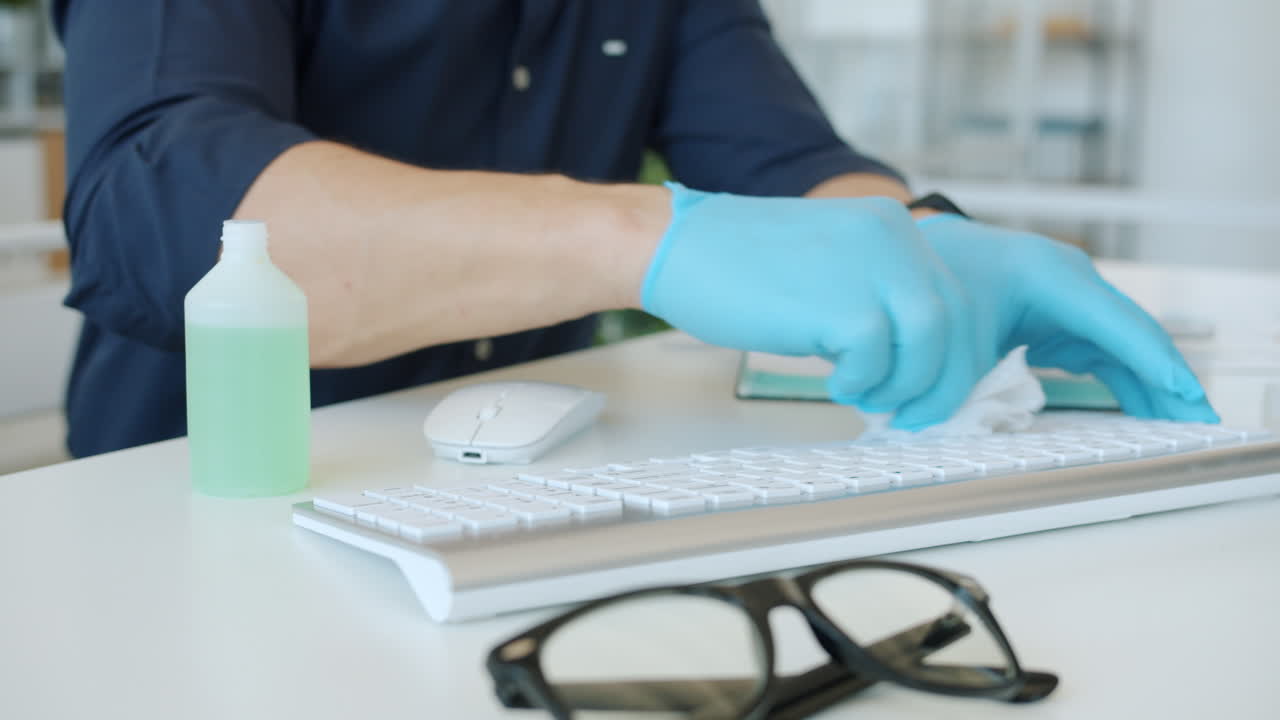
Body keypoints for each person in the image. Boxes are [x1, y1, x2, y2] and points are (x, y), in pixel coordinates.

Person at [53, 1, 1216, 458]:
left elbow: (789, 164)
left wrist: (924, 244)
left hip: (520, 486)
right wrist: (648, 239)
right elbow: (159, 196)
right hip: (202, 489)